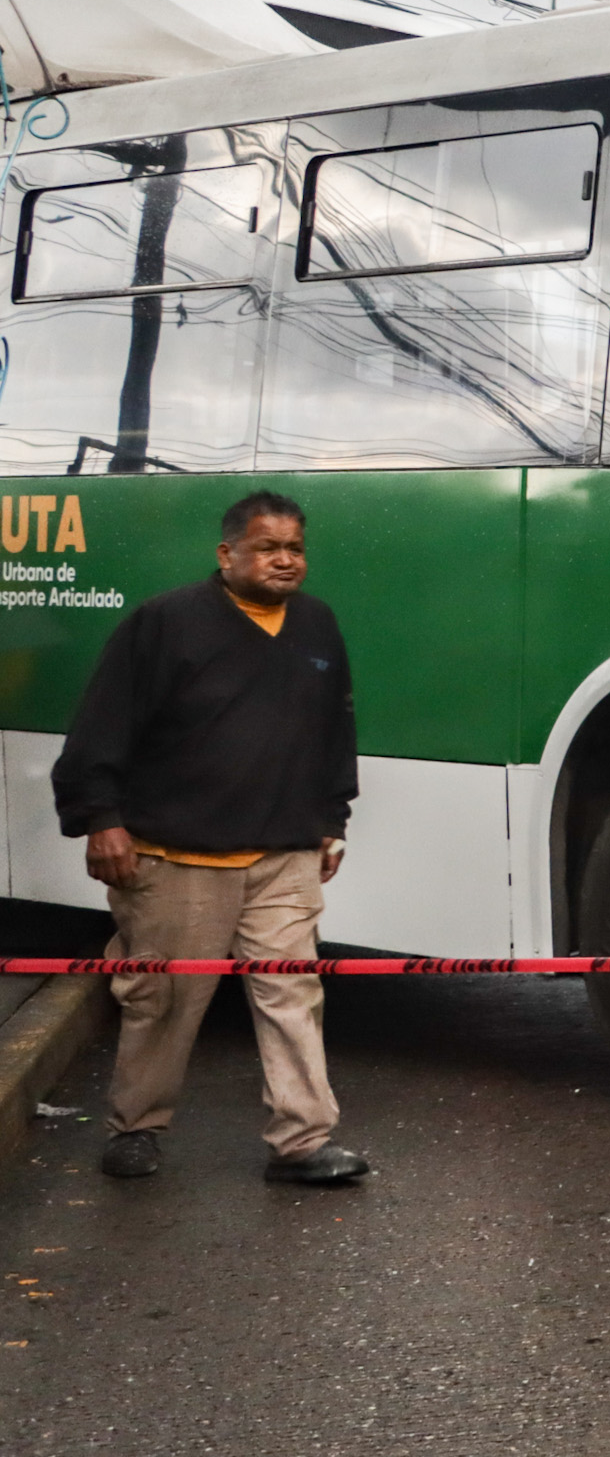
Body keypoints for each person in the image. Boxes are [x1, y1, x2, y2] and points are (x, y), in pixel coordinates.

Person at [53, 491, 372, 1185]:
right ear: (227, 554)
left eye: (294, 547)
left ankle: (302, 1140)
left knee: (293, 993)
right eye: (267, 547)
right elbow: (102, 726)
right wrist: (100, 818)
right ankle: (137, 1128)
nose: (285, 559)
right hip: (176, 856)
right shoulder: (164, 623)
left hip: (283, 856)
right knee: (163, 1001)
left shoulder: (316, 624)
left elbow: (333, 733)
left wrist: (331, 823)